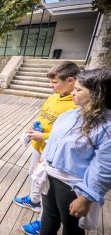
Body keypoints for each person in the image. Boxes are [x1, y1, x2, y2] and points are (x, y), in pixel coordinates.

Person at [35, 68, 111, 235]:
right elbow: (54, 141)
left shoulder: (107, 127)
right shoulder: (69, 115)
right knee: (48, 215)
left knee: (71, 227)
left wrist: (86, 197)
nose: (73, 93)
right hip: (50, 175)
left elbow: (104, 168)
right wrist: (43, 161)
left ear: (97, 93)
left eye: (78, 90)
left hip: (72, 185)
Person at [13, 61, 81, 235]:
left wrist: (43, 136)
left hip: (53, 155)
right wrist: (35, 127)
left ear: (71, 81)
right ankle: (34, 200)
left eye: (55, 82)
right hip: (39, 146)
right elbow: (44, 117)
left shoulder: (76, 104)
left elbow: (69, 135)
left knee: (48, 190)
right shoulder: (53, 97)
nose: (51, 86)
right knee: (36, 177)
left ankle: (41, 221)